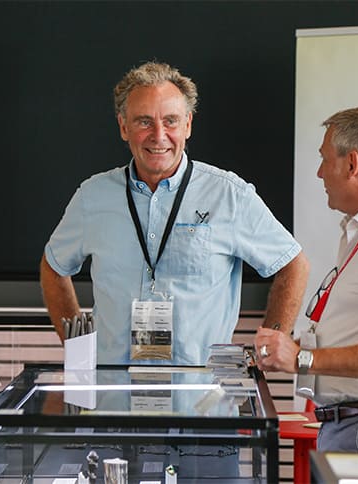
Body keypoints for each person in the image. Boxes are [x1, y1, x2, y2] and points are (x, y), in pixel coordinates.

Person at [40, 61, 309, 365]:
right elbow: (53, 266)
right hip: (113, 385)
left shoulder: (229, 195)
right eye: (144, 122)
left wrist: (269, 350)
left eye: (170, 121)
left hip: (201, 389)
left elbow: (293, 265)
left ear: (187, 125)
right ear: (123, 127)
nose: (159, 135)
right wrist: (78, 348)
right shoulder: (92, 197)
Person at [254, 106, 358, 454]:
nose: (320, 172)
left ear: (352, 164)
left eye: (325, 159)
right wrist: (293, 350)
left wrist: (303, 358)